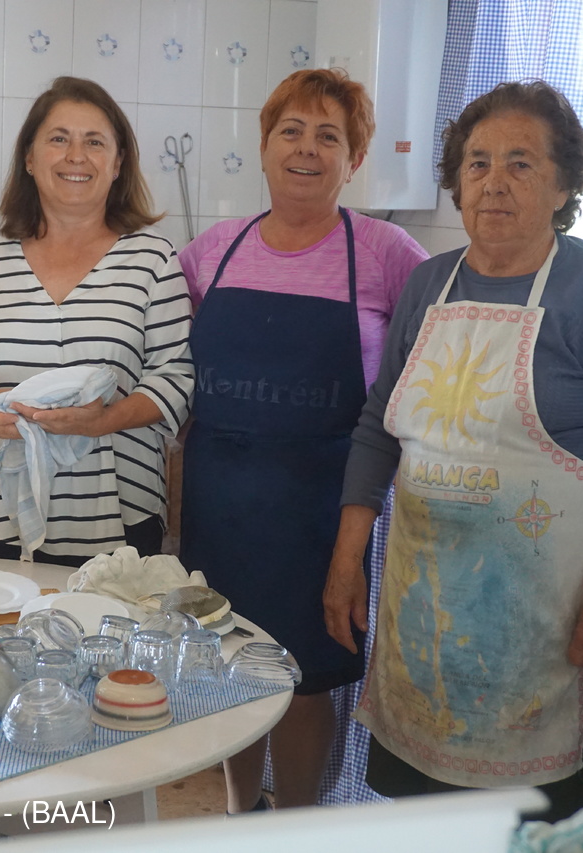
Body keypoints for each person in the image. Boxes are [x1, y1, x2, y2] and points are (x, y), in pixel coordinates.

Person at [323, 81, 583, 820]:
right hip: (425, 617)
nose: (494, 181)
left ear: (563, 187)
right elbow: (377, 429)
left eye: (521, 163)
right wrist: (346, 559)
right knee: (422, 818)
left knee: (529, 828)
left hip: (545, 629)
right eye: (478, 163)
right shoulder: (429, 284)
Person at [178, 68, 428, 811]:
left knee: (304, 681)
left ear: (354, 160)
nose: (307, 149)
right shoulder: (211, 251)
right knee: (227, 672)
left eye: (329, 137)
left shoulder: (386, 252)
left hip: (325, 513)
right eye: (291, 131)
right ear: (263, 146)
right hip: (218, 507)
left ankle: (295, 825)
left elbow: (434, 364)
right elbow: (169, 372)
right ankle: (240, 813)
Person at [0, 77, 193, 567]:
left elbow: (176, 376)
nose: (76, 156)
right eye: (59, 138)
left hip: (120, 514)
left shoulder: (153, 260)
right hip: (6, 512)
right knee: (12, 617)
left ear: (117, 163)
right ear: (30, 159)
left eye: (94, 142)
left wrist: (105, 420)